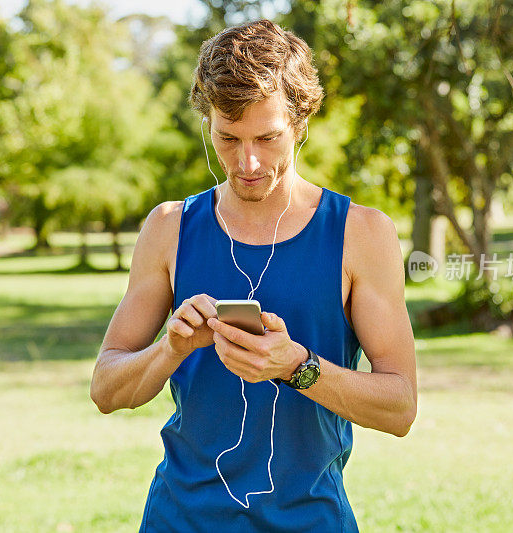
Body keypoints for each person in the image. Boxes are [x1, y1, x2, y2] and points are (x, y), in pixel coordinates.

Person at [90, 19, 417, 533]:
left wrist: (296, 366)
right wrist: (170, 349)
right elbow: (107, 390)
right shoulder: (169, 228)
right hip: (180, 521)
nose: (247, 162)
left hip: (312, 522)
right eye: (228, 137)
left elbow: (400, 408)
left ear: (301, 121)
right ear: (208, 123)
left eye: (268, 138)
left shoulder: (362, 234)